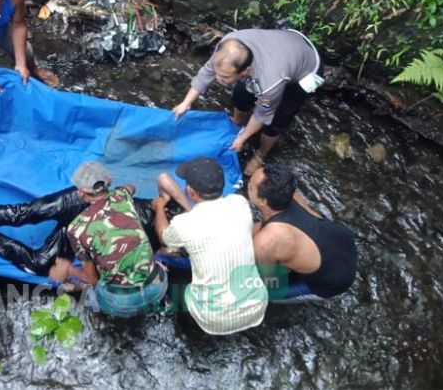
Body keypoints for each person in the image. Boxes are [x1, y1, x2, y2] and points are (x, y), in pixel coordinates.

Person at [0, 167, 190, 282]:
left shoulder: (122, 196)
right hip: (87, 217)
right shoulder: (169, 233)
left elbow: (136, 187)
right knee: (31, 216)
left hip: (88, 220)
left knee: (39, 254)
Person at [171, 28, 324, 175]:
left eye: (224, 77)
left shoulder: (270, 83)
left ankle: (261, 154)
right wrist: (186, 103)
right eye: (218, 74)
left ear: (245, 71)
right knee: (240, 96)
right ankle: (238, 121)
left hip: (305, 70)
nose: (218, 79)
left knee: (276, 121)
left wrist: (242, 138)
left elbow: (262, 115)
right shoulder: (227, 47)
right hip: (282, 44)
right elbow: (207, 71)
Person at [152, 156, 267, 335]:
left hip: (213, 319)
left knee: (162, 259)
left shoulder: (185, 224)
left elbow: (164, 238)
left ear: (190, 191)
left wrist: (159, 206)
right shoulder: (240, 204)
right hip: (256, 306)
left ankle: (182, 322)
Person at [54, 162, 168, 318]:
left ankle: (100, 313)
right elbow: (131, 187)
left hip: (120, 304)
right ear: (109, 182)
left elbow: (92, 278)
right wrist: (123, 189)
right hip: (157, 288)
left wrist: (67, 268)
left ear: (81, 193)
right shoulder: (122, 195)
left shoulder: (76, 228)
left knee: (93, 285)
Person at [248, 164, 357, 303]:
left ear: (263, 201)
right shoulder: (291, 195)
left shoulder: (267, 241)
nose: (248, 186)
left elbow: (268, 279)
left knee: (262, 293)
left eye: (250, 186)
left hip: (331, 284)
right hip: (343, 249)